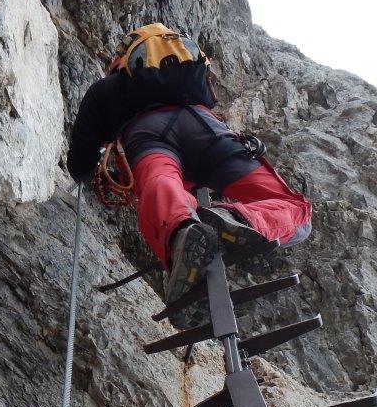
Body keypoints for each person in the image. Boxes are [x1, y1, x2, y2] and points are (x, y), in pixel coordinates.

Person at [67, 23, 312, 316]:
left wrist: (83, 172)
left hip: (147, 135)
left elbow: (80, 157)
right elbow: (210, 102)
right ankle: (239, 217)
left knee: (160, 181)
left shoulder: (108, 87)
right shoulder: (190, 72)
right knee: (296, 212)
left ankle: (183, 230)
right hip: (205, 127)